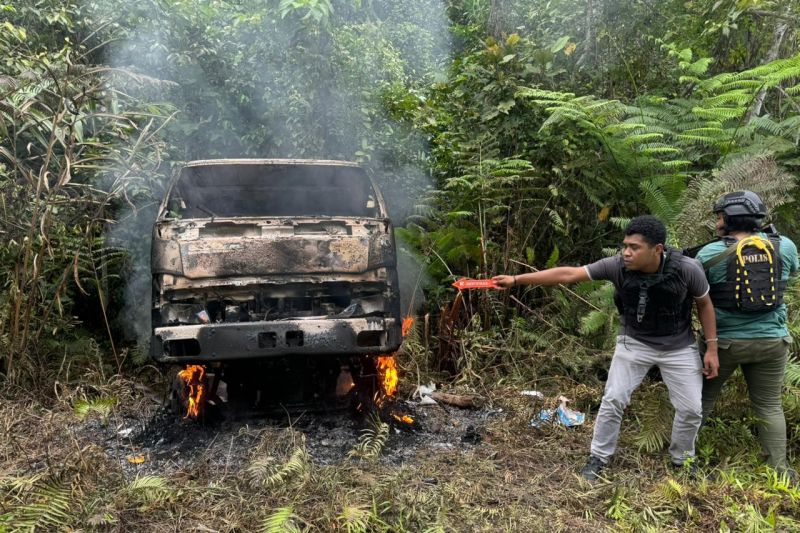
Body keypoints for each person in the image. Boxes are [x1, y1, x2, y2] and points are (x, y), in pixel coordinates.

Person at [493, 215, 719, 481]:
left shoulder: (687, 269)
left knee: (692, 409)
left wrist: (711, 348)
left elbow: (705, 304)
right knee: (613, 399)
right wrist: (517, 280)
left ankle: (683, 459)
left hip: (679, 346)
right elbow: (569, 274)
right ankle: (598, 457)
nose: (626, 252)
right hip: (634, 343)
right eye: (624, 245)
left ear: (657, 249)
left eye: (634, 247)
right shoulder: (616, 266)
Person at [695, 191, 798, 481]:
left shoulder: (708, 253)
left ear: (730, 218)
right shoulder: (784, 246)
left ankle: (684, 458)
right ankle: (780, 471)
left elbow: (699, 295)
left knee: (702, 400)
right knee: (769, 405)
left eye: (719, 216)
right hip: (773, 343)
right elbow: (789, 275)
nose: (716, 221)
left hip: (724, 344)